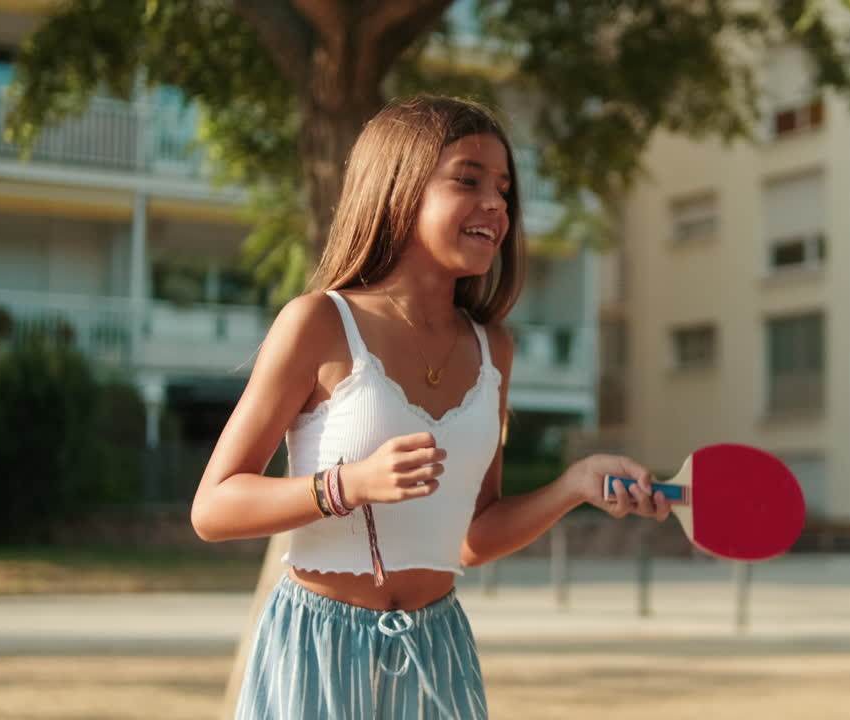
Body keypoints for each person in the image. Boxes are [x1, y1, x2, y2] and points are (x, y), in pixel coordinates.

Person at [190, 95, 671, 719]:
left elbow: (472, 535)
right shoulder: (318, 323)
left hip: (439, 652)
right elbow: (213, 506)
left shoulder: (493, 347)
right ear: (399, 188)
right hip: (316, 650)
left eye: (504, 189)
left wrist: (573, 487)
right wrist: (349, 484)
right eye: (467, 180)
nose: (496, 205)